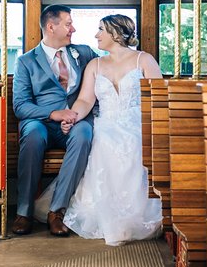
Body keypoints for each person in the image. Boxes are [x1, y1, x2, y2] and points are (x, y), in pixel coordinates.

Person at [36, 14, 163, 246]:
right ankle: (105, 214)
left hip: (137, 122)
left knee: (134, 142)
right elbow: (85, 100)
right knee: (103, 139)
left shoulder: (144, 60)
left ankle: (133, 214)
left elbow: (159, 99)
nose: (96, 35)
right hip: (106, 120)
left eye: (101, 29)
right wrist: (72, 117)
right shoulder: (95, 65)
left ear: (115, 33)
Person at [12, 4, 98, 236]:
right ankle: (24, 211)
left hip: (76, 120)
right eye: (68, 24)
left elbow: (108, 69)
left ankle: (56, 211)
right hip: (41, 122)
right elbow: (20, 105)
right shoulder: (26, 61)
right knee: (32, 134)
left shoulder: (85, 53)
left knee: (84, 134)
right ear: (51, 27)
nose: (73, 29)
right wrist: (52, 114)